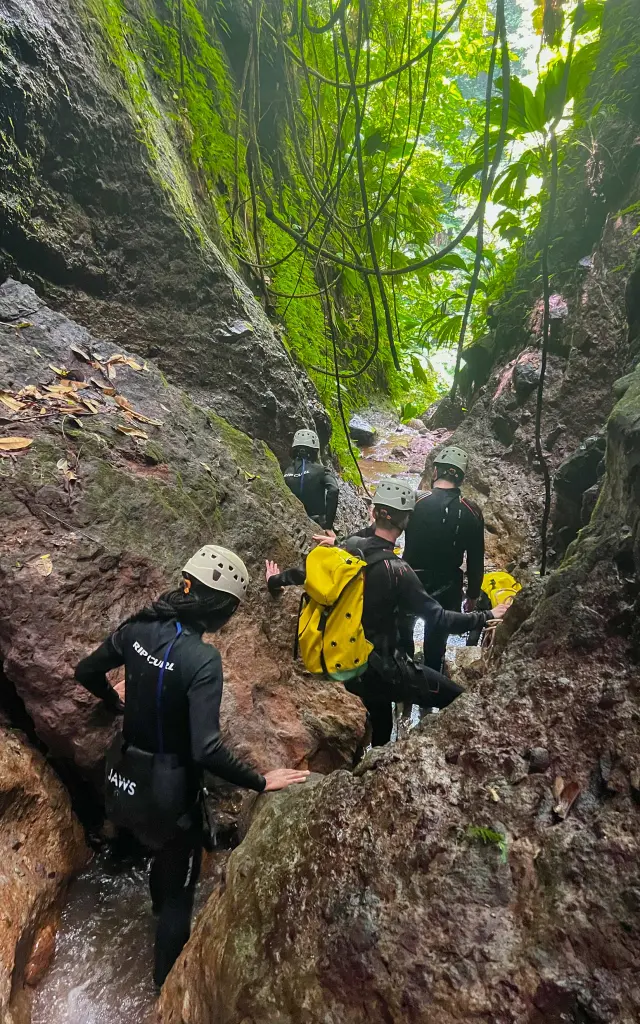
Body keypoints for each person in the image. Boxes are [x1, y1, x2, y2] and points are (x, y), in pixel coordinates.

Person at [74, 545, 309, 988]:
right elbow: (205, 750)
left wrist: (113, 699)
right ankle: (163, 993)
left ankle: (148, 903)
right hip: (168, 795)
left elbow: (86, 671)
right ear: (221, 608)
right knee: (179, 892)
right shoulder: (203, 661)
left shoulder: (139, 627)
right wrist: (261, 780)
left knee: (152, 850)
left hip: (120, 778)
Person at [266, 478, 506, 747]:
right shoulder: (399, 571)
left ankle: (378, 757)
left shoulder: (347, 548)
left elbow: (306, 574)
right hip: (386, 668)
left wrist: (274, 580)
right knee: (458, 696)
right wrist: (487, 615)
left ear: (373, 512)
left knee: (381, 719)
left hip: (352, 662)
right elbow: (439, 618)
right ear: (406, 523)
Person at [402, 445, 485, 671]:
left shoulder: (415, 501)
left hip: (410, 580)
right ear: (460, 478)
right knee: (436, 642)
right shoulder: (472, 510)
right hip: (449, 585)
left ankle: (403, 681)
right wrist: (473, 595)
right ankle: (431, 684)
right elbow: (476, 558)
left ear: (436, 471)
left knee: (403, 635)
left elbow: (388, 535)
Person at [283, 428, 339, 530]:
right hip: (317, 523)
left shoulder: (286, 472)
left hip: (291, 523)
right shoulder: (322, 470)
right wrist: (328, 526)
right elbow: (334, 490)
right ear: (315, 451)